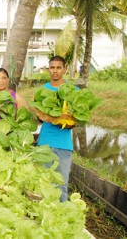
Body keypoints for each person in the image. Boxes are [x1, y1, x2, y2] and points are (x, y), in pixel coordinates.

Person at [37, 55, 77, 202]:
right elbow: (38, 115)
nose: (55, 71)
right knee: (43, 182)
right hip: (45, 142)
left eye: (58, 67)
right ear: (48, 70)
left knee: (61, 184)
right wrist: (47, 117)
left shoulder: (73, 90)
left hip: (63, 145)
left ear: (65, 69)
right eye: (52, 68)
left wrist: (64, 120)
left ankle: (61, 218)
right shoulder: (42, 90)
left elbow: (78, 120)